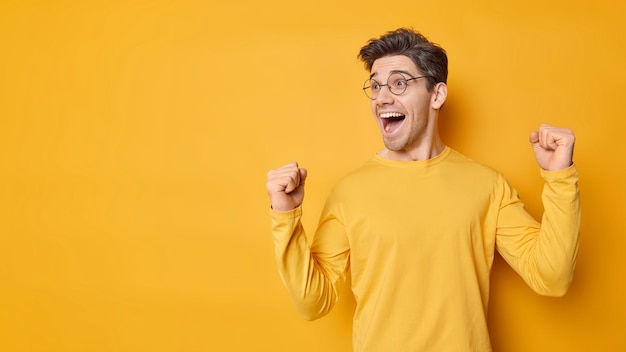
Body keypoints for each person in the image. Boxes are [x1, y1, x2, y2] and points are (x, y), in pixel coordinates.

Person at [265, 28, 579, 351]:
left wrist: (560, 176)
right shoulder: (349, 192)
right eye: (375, 86)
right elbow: (312, 302)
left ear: (437, 95)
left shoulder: (487, 185)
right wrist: (285, 213)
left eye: (399, 83)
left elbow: (552, 277)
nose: (383, 98)